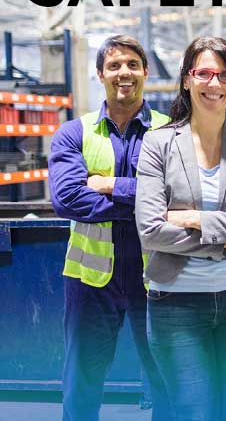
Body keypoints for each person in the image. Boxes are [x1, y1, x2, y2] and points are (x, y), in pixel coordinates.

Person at [134, 37, 226, 421]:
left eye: (224, 74)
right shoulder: (158, 143)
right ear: (186, 80)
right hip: (176, 304)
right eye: (204, 73)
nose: (214, 84)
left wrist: (195, 219)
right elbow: (150, 230)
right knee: (192, 412)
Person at [48, 34, 170, 421]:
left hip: (159, 276)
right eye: (114, 65)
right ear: (100, 73)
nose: (124, 73)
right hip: (91, 279)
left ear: (146, 72)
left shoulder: (171, 131)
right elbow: (67, 199)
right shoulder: (74, 133)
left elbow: (183, 196)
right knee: (82, 382)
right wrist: (147, 201)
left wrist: (111, 185)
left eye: (133, 65)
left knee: (167, 381)